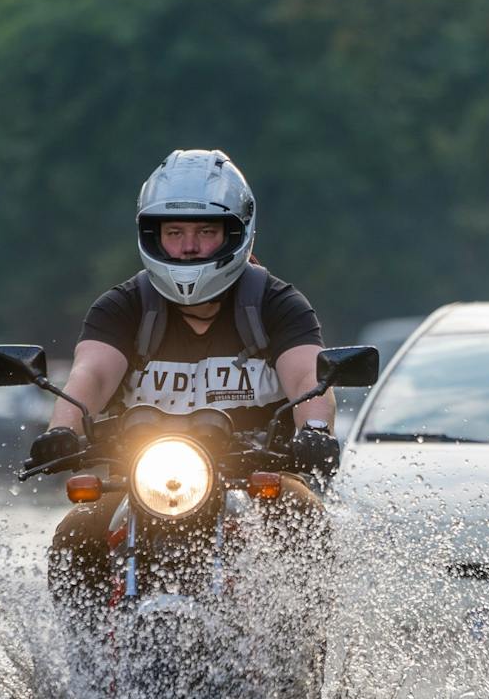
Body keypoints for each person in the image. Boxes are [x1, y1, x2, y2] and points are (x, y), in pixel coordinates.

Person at [27, 149, 335, 611]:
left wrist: (315, 431)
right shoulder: (124, 308)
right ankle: (86, 667)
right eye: (175, 233)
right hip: (142, 484)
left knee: (302, 514)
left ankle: (298, 658)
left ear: (236, 233)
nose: (189, 247)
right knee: (76, 531)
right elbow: (90, 373)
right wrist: (62, 430)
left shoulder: (276, 305)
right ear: (154, 236)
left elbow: (309, 375)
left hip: (252, 479)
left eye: (205, 232)